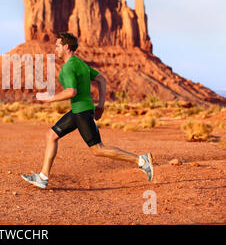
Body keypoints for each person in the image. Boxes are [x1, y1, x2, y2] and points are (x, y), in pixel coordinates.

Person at [21, 32, 154, 189]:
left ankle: (141, 160)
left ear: (66, 47)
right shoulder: (80, 64)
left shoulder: (68, 67)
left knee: (98, 149)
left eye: (57, 46)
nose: (55, 49)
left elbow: (71, 92)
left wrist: (49, 98)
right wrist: (101, 106)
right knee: (51, 135)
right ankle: (43, 177)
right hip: (80, 111)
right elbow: (102, 79)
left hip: (81, 113)